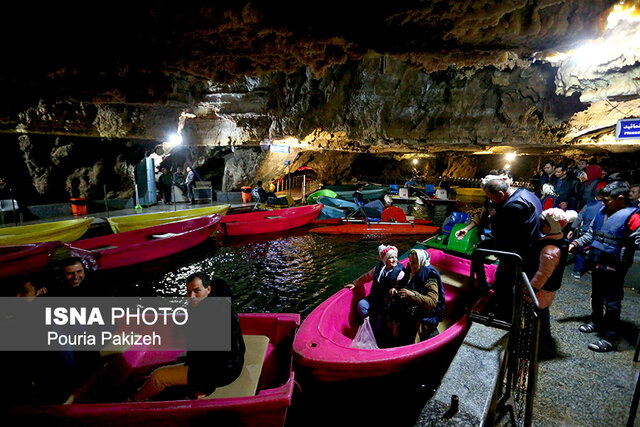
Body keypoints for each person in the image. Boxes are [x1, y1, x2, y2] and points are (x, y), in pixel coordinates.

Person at [133, 273, 245, 401]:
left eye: (197, 291)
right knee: (180, 361)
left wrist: (205, 387)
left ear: (208, 289)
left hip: (221, 372)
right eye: (188, 291)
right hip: (233, 364)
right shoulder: (220, 303)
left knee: (158, 377)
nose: (191, 297)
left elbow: (212, 360)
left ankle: (133, 401)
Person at [456, 175, 541, 320]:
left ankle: (502, 314)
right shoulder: (525, 193)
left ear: (501, 194)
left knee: (504, 280)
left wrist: (494, 217)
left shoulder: (514, 207)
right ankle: (485, 286)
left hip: (517, 249)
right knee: (481, 250)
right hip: (525, 241)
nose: (491, 201)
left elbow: (499, 231)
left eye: (491, 197)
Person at [569, 181, 640, 352]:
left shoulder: (633, 217)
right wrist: (576, 243)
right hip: (597, 259)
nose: (603, 203)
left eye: (607, 200)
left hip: (615, 264)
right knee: (597, 294)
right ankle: (596, 321)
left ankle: (609, 337)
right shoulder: (602, 212)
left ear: (620, 198)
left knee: (613, 302)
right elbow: (591, 233)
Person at [525, 208, 577, 356]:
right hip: (546, 289)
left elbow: (542, 274)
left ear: (553, 227)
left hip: (541, 289)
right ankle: (542, 340)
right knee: (542, 312)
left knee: (539, 314)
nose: (540, 226)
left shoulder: (549, 250)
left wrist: (531, 288)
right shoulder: (558, 240)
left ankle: (541, 342)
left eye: (543, 224)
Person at [345, 244, 405, 348]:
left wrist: (395, 289)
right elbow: (366, 277)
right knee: (361, 305)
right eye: (391, 258)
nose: (394, 260)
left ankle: (377, 336)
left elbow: (403, 285)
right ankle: (367, 323)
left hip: (387, 302)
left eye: (395, 257)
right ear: (385, 260)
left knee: (380, 323)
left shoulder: (400, 273)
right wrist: (355, 283)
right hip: (374, 298)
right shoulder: (378, 268)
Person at [388, 249, 445, 346]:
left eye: (414, 262)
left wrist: (413, 295)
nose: (410, 264)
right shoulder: (410, 270)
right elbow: (402, 284)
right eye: (410, 261)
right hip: (408, 309)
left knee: (413, 340)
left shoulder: (430, 276)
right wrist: (395, 289)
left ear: (421, 262)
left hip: (424, 313)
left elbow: (432, 302)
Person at [567, 191, 604, 279]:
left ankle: (577, 271)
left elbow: (579, 217)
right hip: (598, 235)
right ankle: (591, 269)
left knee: (581, 252)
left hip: (584, 231)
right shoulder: (605, 208)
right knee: (595, 253)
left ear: (595, 197)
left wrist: (572, 229)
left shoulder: (588, 205)